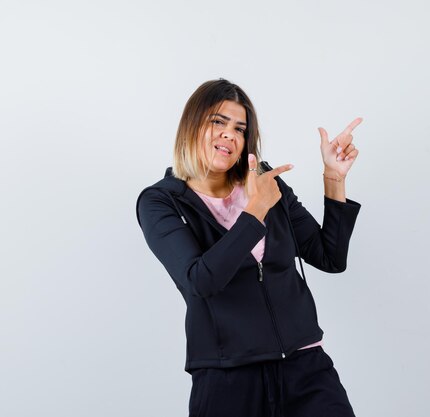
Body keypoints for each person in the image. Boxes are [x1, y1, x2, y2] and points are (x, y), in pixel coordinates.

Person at [135, 79, 362, 417]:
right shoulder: (161, 202)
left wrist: (334, 178)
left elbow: (329, 257)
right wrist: (255, 211)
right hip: (228, 378)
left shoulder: (267, 184)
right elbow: (200, 281)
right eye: (218, 122)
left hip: (305, 368)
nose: (230, 135)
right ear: (191, 126)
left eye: (240, 129)